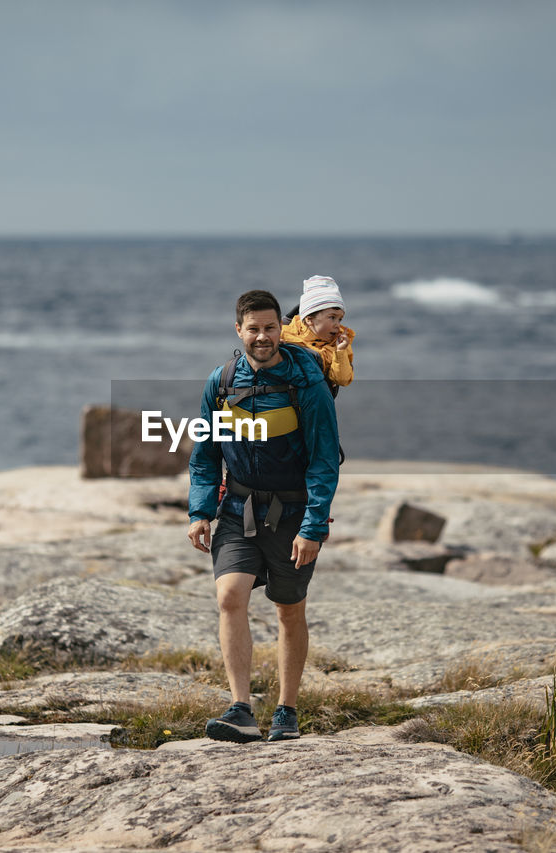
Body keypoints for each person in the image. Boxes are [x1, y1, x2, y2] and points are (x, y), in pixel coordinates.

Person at [187, 289, 341, 743]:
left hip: (293, 513)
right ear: (239, 330)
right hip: (236, 508)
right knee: (230, 596)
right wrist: (200, 510)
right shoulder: (221, 381)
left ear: (282, 328)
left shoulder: (305, 382)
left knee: (288, 610)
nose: (262, 337)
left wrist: (313, 526)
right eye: (253, 329)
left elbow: (324, 459)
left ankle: (287, 711)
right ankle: (240, 708)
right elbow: (205, 454)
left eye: (270, 328)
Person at [281, 275, 355, 390]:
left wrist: (340, 352)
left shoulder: (337, 346)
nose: (337, 324)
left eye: (340, 319)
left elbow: (342, 380)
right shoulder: (284, 333)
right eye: (332, 317)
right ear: (309, 319)